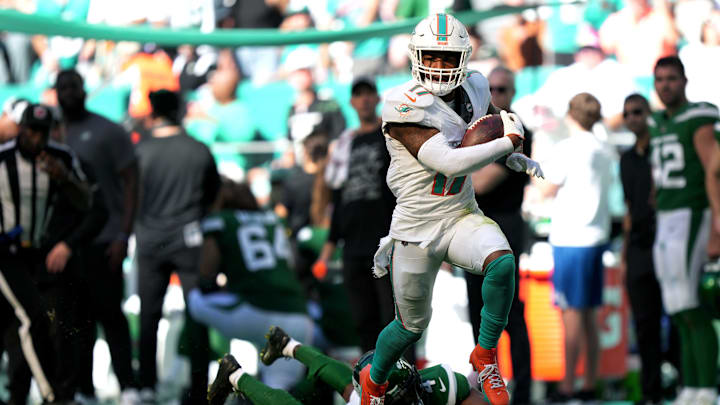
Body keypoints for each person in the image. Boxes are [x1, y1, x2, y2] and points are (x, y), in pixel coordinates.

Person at [360, 13, 543, 405]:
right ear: (415, 55)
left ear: (465, 57)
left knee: (503, 262)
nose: (439, 66)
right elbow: (450, 161)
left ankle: (486, 355)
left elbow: (488, 120)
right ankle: (373, 384)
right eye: (431, 56)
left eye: (447, 57)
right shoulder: (402, 105)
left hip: (460, 214)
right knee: (409, 327)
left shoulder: (476, 85)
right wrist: (507, 144)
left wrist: (510, 153)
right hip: (416, 228)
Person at [0, 103, 98, 404]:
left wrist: (65, 178)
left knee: (43, 326)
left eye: (42, 131)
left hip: (41, 257)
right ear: (21, 129)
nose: (36, 137)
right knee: (30, 320)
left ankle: (38, 393)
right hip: (6, 255)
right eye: (31, 130)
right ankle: (52, 394)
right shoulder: (2, 159)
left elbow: (88, 204)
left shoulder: (62, 157)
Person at [54, 68, 140, 403]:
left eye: (74, 86)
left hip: (105, 239)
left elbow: (132, 181)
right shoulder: (52, 132)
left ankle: (129, 387)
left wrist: (123, 233)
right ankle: (84, 388)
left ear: (84, 89)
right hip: (68, 244)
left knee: (111, 315)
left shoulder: (108, 130)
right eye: (63, 87)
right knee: (78, 320)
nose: (69, 93)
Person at [134, 90, 220, 404]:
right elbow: (213, 194)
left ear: (153, 113)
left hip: (149, 240)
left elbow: (131, 196)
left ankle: (145, 385)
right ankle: (199, 388)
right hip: (189, 240)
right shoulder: (198, 149)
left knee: (149, 315)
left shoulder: (141, 151)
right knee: (196, 314)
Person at [187, 179, 315, 390]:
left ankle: (199, 383)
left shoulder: (221, 219)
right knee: (278, 391)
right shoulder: (273, 219)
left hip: (256, 312)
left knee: (193, 300)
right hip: (299, 315)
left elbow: (206, 272)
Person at [649, 56, 720, 405]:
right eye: (660, 79)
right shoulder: (659, 121)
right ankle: (690, 387)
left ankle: (706, 387)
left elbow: (715, 170)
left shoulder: (699, 116)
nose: (666, 85)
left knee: (693, 305)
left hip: (694, 213)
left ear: (685, 80)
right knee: (677, 309)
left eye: (672, 78)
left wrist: (717, 226)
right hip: (666, 218)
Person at [539, 93, 614, 402]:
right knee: (589, 316)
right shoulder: (603, 149)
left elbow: (546, 187)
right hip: (595, 237)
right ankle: (588, 382)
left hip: (571, 239)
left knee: (570, 315)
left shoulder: (567, 149)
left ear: (571, 115)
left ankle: (569, 384)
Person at [313, 77, 396, 353]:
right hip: (353, 247)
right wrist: (326, 253)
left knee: (393, 320)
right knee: (363, 321)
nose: (363, 99)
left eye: (368, 93)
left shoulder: (390, 138)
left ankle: (403, 384)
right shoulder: (345, 144)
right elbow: (339, 201)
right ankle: (371, 387)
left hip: (385, 242)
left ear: (377, 97)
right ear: (352, 102)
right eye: (358, 94)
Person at [207, 326, 491, 405]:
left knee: (346, 384)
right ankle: (235, 376)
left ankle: (287, 345)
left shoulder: (439, 385)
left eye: (406, 396)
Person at [466, 66, 532, 405]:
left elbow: (478, 182)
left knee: (510, 312)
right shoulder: (474, 128)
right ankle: (485, 385)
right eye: (490, 88)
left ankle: (521, 388)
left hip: (503, 226)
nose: (495, 95)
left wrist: (461, 162)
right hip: (472, 226)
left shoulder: (517, 130)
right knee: (477, 310)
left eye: (502, 89)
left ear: (513, 91)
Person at [619, 94, 665, 405]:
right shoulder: (625, 158)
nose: (633, 118)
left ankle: (686, 381)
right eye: (628, 114)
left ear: (648, 114)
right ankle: (652, 392)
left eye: (638, 112)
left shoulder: (661, 151)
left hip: (665, 239)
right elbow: (628, 209)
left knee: (676, 318)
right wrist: (624, 253)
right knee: (644, 323)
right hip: (637, 246)